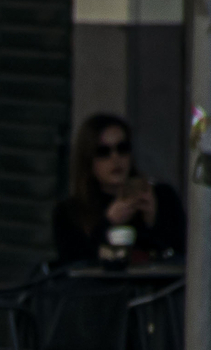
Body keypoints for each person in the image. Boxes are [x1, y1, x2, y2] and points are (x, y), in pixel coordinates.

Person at [53, 112, 183, 268]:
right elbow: (73, 265)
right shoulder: (69, 212)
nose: (115, 158)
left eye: (122, 148)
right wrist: (108, 223)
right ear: (88, 159)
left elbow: (182, 254)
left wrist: (154, 220)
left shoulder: (162, 196)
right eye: (103, 152)